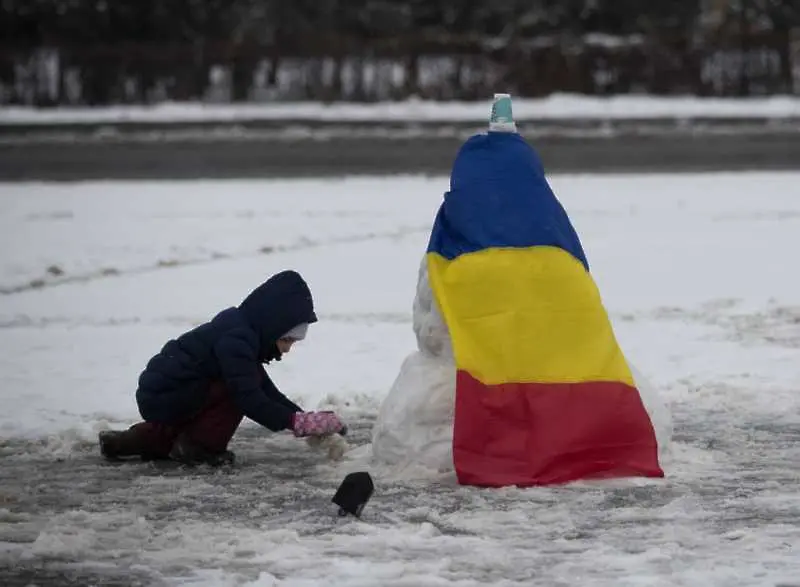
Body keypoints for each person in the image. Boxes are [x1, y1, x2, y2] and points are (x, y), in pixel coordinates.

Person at [98, 269, 346, 466]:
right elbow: (250, 398)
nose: (286, 349)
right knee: (235, 390)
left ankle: (127, 442)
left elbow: (268, 392)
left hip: (166, 394)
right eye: (286, 340)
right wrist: (297, 422)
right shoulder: (236, 341)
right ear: (272, 327)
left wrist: (303, 419)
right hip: (168, 395)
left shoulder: (240, 334)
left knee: (229, 388)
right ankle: (200, 448)